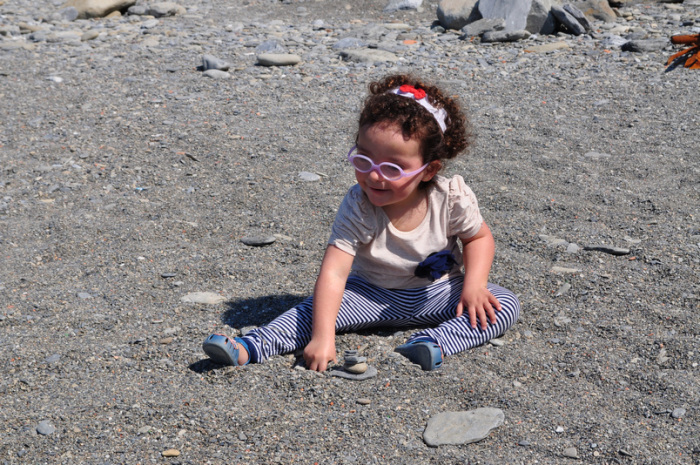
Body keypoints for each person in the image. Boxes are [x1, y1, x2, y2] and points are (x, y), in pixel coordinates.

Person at [203, 74, 520, 372]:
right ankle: (252, 345)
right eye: (363, 160)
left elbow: (478, 238)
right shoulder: (359, 205)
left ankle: (433, 343)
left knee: (502, 304)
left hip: (435, 293)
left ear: (428, 169)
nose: (373, 176)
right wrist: (323, 337)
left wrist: (475, 285)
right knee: (313, 312)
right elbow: (335, 271)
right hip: (368, 294)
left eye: (393, 168)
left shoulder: (449, 197)